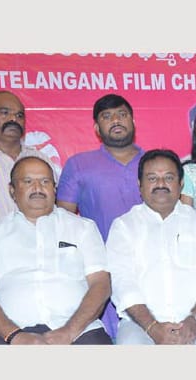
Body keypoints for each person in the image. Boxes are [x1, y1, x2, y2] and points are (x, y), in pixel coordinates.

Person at [0, 156, 111, 345]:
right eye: (28, 181)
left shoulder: (83, 228)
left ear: (54, 188)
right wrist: (15, 336)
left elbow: (101, 284)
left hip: (80, 332)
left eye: (45, 181)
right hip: (7, 334)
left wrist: (69, 332)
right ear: (12, 190)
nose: (38, 188)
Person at [105, 149, 196, 345]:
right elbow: (122, 282)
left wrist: (195, 320)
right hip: (140, 324)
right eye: (152, 178)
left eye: (169, 177)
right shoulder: (124, 226)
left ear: (181, 184)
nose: (161, 184)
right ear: (140, 185)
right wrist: (152, 327)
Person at [56, 93, 144, 340]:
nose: (116, 120)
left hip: (150, 266)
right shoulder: (79, 165)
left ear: (133, 122)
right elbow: (63, 222)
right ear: (96, 128)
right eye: (107, 116)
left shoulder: (155, 163)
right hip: (99, 269)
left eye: (122, 114)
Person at [0, 90, 54, 344]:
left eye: (19, 115)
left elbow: (56, 214)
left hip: (47, 267)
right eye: (4, 113)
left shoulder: (40, 159)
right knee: (5, 340)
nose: (13, 119)